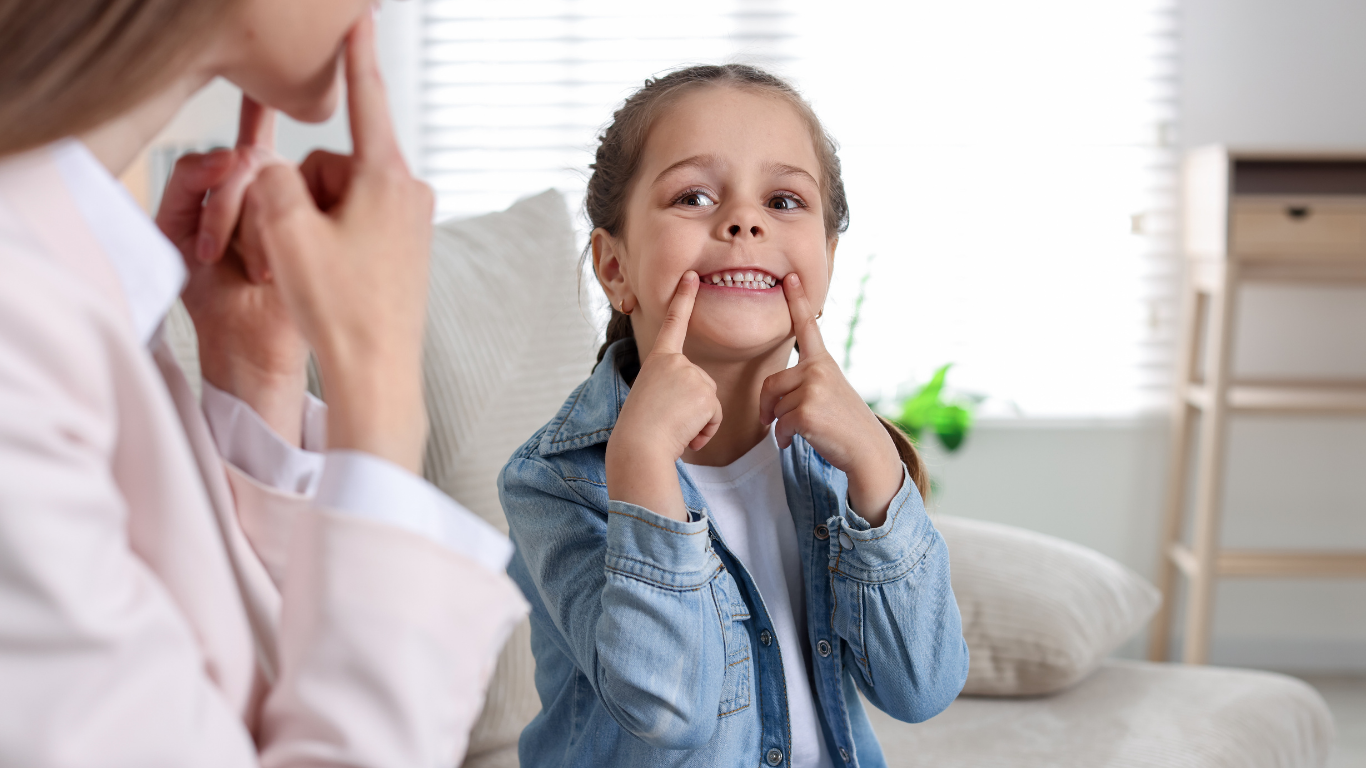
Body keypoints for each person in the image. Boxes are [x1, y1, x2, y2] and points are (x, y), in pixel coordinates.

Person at [0, 1, 525, 764]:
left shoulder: (60, 262)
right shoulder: (22, 316)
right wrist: (375, 383)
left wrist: (256, 374)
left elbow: (226, 708)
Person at [498, 64, 970, 768]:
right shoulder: (552, 481)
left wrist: (876, 464)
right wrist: (643, 468)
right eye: (693, 195)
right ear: (614, 266)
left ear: (827, 261)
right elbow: (670, 709)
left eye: (784, 200)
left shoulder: (841, 458)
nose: (745, 221)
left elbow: (921, 687)